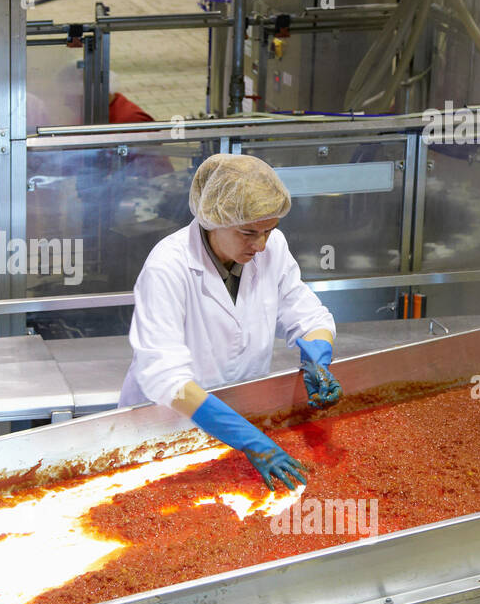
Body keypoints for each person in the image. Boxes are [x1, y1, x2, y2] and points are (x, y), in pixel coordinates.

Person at [119, 154, 343, 492]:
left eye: (270, 230)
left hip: (240, 420)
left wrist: (317, 357)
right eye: (249, 233)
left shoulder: (271, 248)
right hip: (163, 429)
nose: (261, 244)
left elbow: (306, 314)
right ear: (214, 219)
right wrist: (249, 440)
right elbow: (166, 376)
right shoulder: (167, 267)